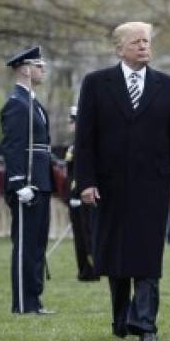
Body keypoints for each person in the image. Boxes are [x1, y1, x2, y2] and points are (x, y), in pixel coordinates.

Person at [74, 21, 170, 341]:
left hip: (154, 185)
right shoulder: (97, 84)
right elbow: (85, 139)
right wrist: (86, 182)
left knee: (149, 254)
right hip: (110, 186)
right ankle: (121, 317)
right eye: (137, 42)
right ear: (119, 48)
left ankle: (146, 324)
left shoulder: (168, 86)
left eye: (147, 41)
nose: (144, 47)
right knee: (116, 254)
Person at [0, 46, 54, 315]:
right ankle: (22, 303)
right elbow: (12, 146)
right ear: (24, 69)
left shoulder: (31, 102)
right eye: (39, 65)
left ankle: (34, 300)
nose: (43, 69)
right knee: (25, 245)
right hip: (28, 184)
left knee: (37, 245)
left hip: (40, 182)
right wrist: (19, 182)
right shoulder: (16, 104)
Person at [64, 106, 98, 281]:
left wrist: (77, 193)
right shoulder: (73, 146)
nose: (70, 124)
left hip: (83, 196)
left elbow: (81, 173)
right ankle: (84, 269)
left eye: (72, 121)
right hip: (74, 196)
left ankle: (91, 270)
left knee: (88, 234)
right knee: (79, 235)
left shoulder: (85, 145)